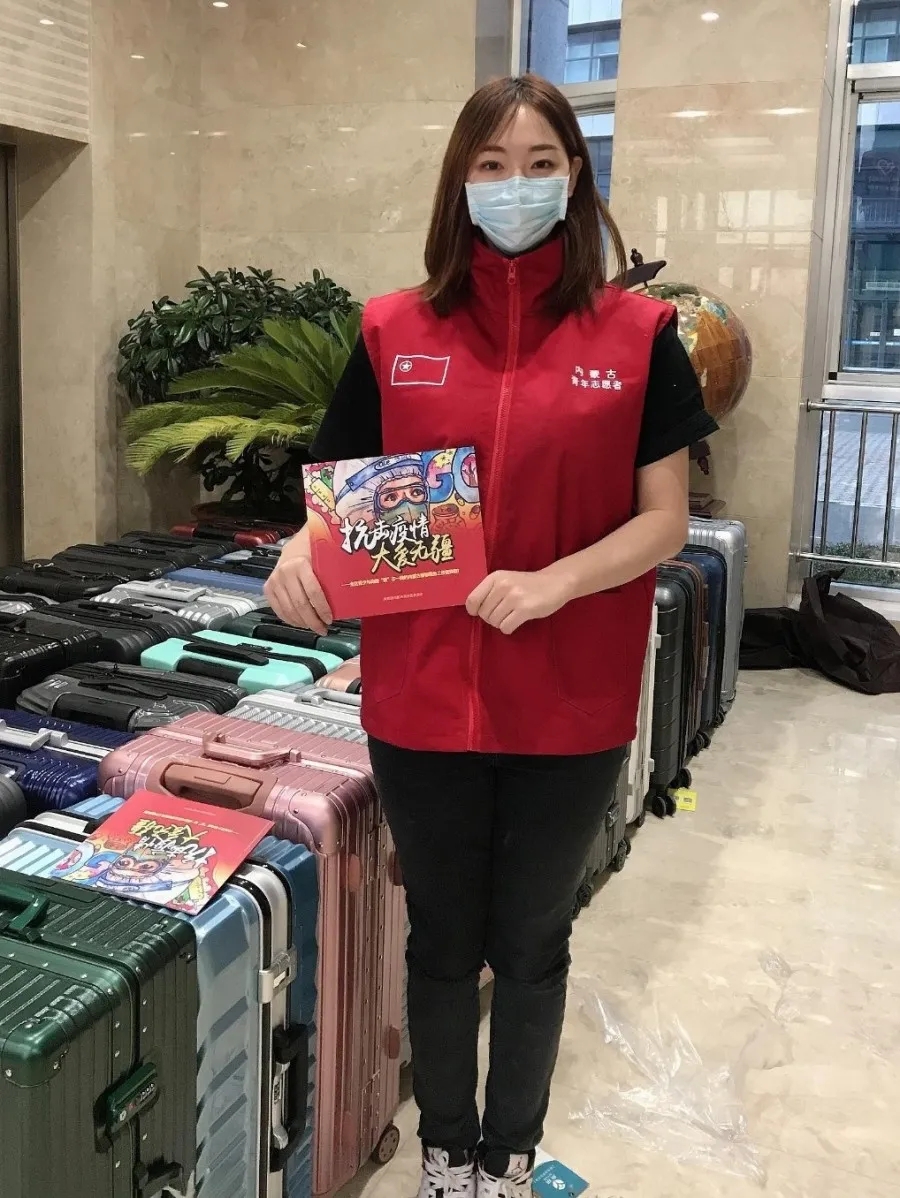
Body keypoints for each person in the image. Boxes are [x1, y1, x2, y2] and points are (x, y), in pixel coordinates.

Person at [265, 74, 717, 1198]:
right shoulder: (393, 331)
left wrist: (554, 583)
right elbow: (341, 491)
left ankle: (509, 1157)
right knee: (439, 944)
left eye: (540, 164)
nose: (516, 185)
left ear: (576, 178)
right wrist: (295, 552)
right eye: (492, 165)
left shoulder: (639, 336)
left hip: (571, 702)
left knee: (531, 943)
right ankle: (444, 1154)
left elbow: (665, 518)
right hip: (421, 699)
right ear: (459, 182)